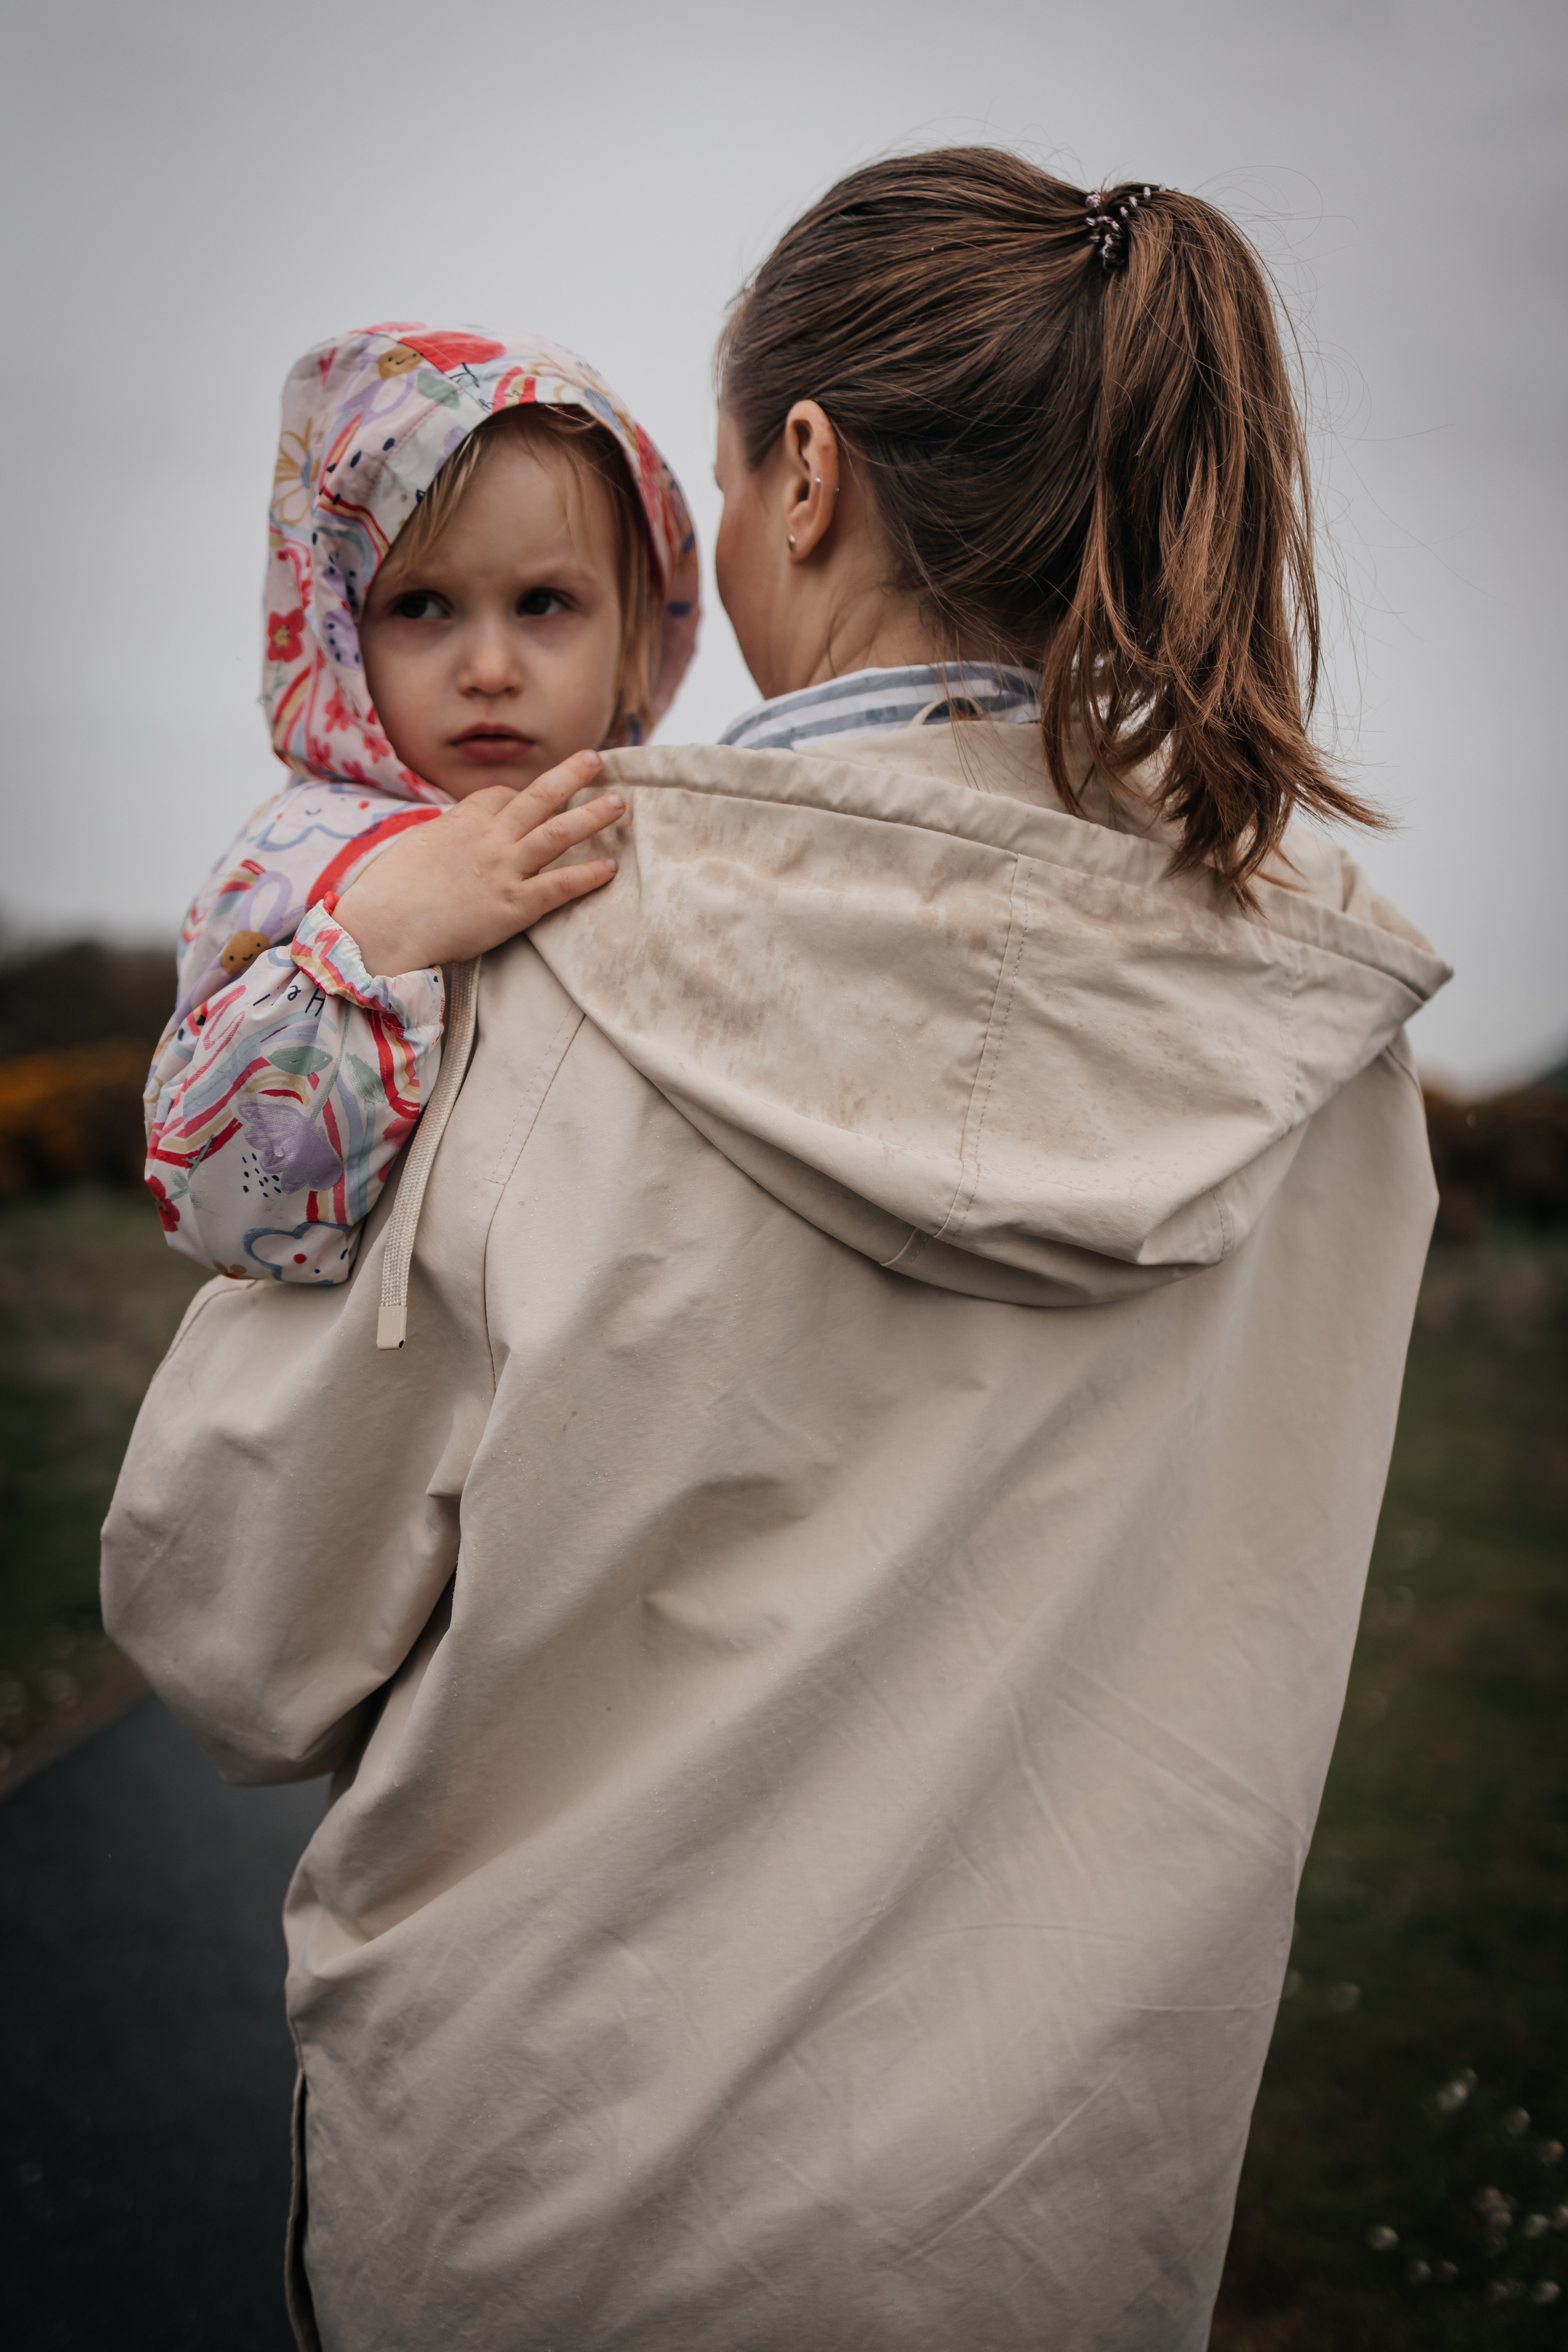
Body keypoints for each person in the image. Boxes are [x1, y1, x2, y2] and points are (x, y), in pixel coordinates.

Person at [104, 151, 1450, 2351]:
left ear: (802, 477)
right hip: (1060, 2246)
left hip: (552, 2212)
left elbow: (231, 1625)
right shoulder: (1336, 1063)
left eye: (714, 493)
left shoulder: (532, 961)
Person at [143, 323, 698, 1284]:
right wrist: (374, 941)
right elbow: (216, 1203)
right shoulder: (297, 868)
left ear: (636, 633)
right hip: (376, 1419)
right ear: (336, 630)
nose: (489, 669)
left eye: (543, 604)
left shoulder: (669, 845)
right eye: (421, 606)